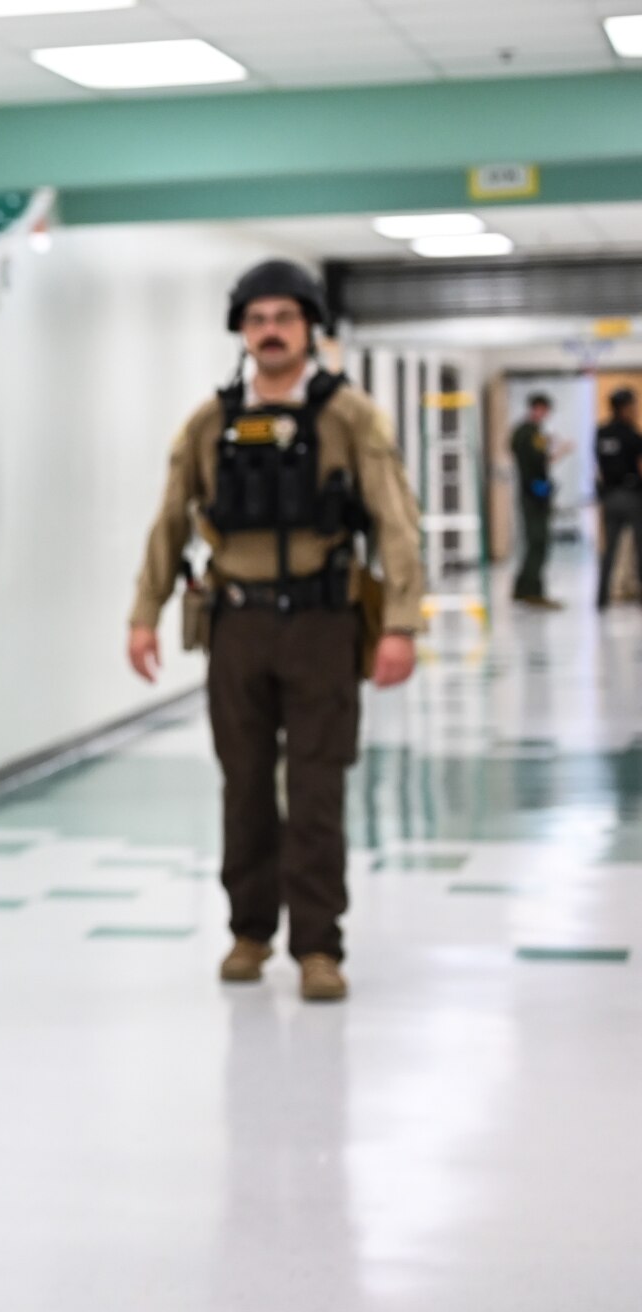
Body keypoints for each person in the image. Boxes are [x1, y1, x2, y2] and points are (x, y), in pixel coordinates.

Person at [127, 259, 424, 1004]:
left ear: (309, 327)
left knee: (318, 789)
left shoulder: (351, 417)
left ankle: (319, 946)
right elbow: (169, 523)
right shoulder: (210, 422)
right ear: (242, 331)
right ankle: (249, 932)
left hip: (324, 623)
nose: (270, 332)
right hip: (238, 627)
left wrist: (401, 624)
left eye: (284, 318)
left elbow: (396, 524)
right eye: (256, 320)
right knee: (246, 788)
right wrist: (144, 614)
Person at [511, 392, 564, 609]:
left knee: (533, 543)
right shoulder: (530, 433)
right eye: (543, 410)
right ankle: (534, 592)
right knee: (538, 543)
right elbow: (538, 462)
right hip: (534, 495)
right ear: (537, 408)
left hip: (530, 493)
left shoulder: (522, 432)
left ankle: (521, 588)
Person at [594, 387, 642, 610]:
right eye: (633, 405)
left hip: (609, 496)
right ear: (624, 408)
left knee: (609, 550)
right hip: (631, 496)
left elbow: (600, 468)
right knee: (638, 548)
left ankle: (602, 598)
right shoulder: (632, 435)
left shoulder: (601, 433)